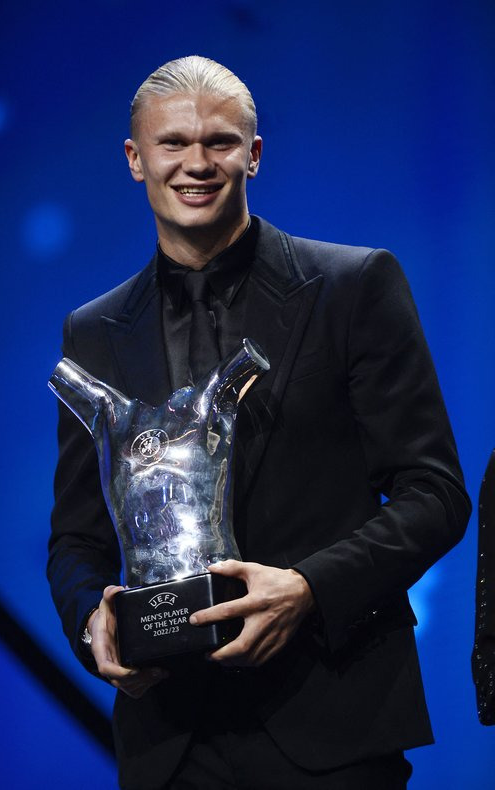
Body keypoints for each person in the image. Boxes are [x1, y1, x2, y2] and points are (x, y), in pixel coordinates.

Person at [48, 56, 471, 789]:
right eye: (173, 143)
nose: (196, 163)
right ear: (135, 159)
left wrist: (306, 589)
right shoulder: (94, 333)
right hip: (170, 739)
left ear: (254, 154)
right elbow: (78, 539)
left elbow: (434, 495)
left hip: (331, 721)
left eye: (219, 141)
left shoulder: (354, 287)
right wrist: (94, 623)